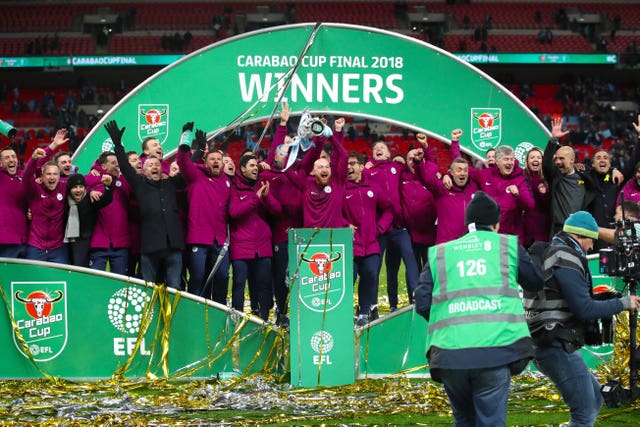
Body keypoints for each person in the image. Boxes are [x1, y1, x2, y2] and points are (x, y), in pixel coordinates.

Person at [414, 191, 544, 427]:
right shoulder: (508, 246)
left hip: (449, 352)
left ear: (467, 224)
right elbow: (535, 281)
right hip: (496, 349)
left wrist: (450, 319)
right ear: (496, 224)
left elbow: (422, 302)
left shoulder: (441, 252)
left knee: (464, 419)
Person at [524, 211, 640, 426]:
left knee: (595, 398)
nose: (591, 248)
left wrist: (604, 299)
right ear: (580, 236)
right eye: (591, 241)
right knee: (584, 412)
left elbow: (573, 299)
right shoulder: (566, 256)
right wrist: (623, 303)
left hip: (547, 342)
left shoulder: (553, 252)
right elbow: (584, 309)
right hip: (556, 345)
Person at [105, 120, 186, 289]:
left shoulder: (171, 183)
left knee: (175, 288)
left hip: (173, 246)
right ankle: (148, 317)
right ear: (144, 170)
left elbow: (187, 166)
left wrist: (186, 139)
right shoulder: (140, 184)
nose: (154, 166)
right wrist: (118, 144)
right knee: (147, 289)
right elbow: (126, 168)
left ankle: (172, 317)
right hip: (150, 247)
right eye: (150, 165)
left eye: (157, 164)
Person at [177, 129, 231, 303]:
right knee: (198, 276)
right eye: (212, 159)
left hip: (220, 240)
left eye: (219, 160)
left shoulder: (227, 181)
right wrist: (187, 137)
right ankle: (194, 309)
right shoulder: (195, 176)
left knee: (223, 276)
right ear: (205, 162)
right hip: (199, 238)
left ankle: (220, 311)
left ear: (223, 164)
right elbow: (183, 161)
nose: (216, 162)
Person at [229, 153, 281, 321]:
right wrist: (254, 198)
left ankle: (265, 319)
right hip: (241, 246)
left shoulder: (263, 185)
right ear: (242, 169)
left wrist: (267, 197)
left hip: (262, 246)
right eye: (251, 166)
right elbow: (234, 212)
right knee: (239, 284)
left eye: (256, 166)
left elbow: (277, 211)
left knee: (265, 285)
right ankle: (238, 317)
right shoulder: (234, 188)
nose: (255, 169)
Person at [343, 152, 392, 327]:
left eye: (353, 163)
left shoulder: (373, 188)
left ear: (362, 167)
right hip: (350, 245)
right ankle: (344, 313)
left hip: (371, 243)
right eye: (347, 164)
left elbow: (388, 209)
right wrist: (344, 224)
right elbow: (334, 214)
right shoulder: (342, 190)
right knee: (349, 278)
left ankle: (364, 312)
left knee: (370, 275)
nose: (349, 167)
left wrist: (379, 228)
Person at [23, 148, 68, 263]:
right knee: (33, 279)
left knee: (59, 279)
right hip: (35, 246)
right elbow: (27, 176)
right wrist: (33, 159)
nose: (52, 177)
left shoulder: (64, 186)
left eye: (55, 174)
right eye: (48, 174)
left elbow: (83, 182)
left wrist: (96, 169)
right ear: (42, 176)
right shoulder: (35, 190)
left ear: (59, 176)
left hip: (58, 248)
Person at [64, 173, 113, 267]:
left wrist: (108, 187)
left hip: (83, 242)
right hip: (65, 242)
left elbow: (106, 200)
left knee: (79, 269)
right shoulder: (64, 200)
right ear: (69, 189)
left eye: (81, 186)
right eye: (75, 187)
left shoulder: (90, 199)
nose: (78, 190)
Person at [0, 146, 28, 258]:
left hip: (25, 240)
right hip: (5, 241)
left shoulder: (24, 176)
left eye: (13, 156)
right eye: (7, 158)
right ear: (0, 163)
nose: (11, 159)